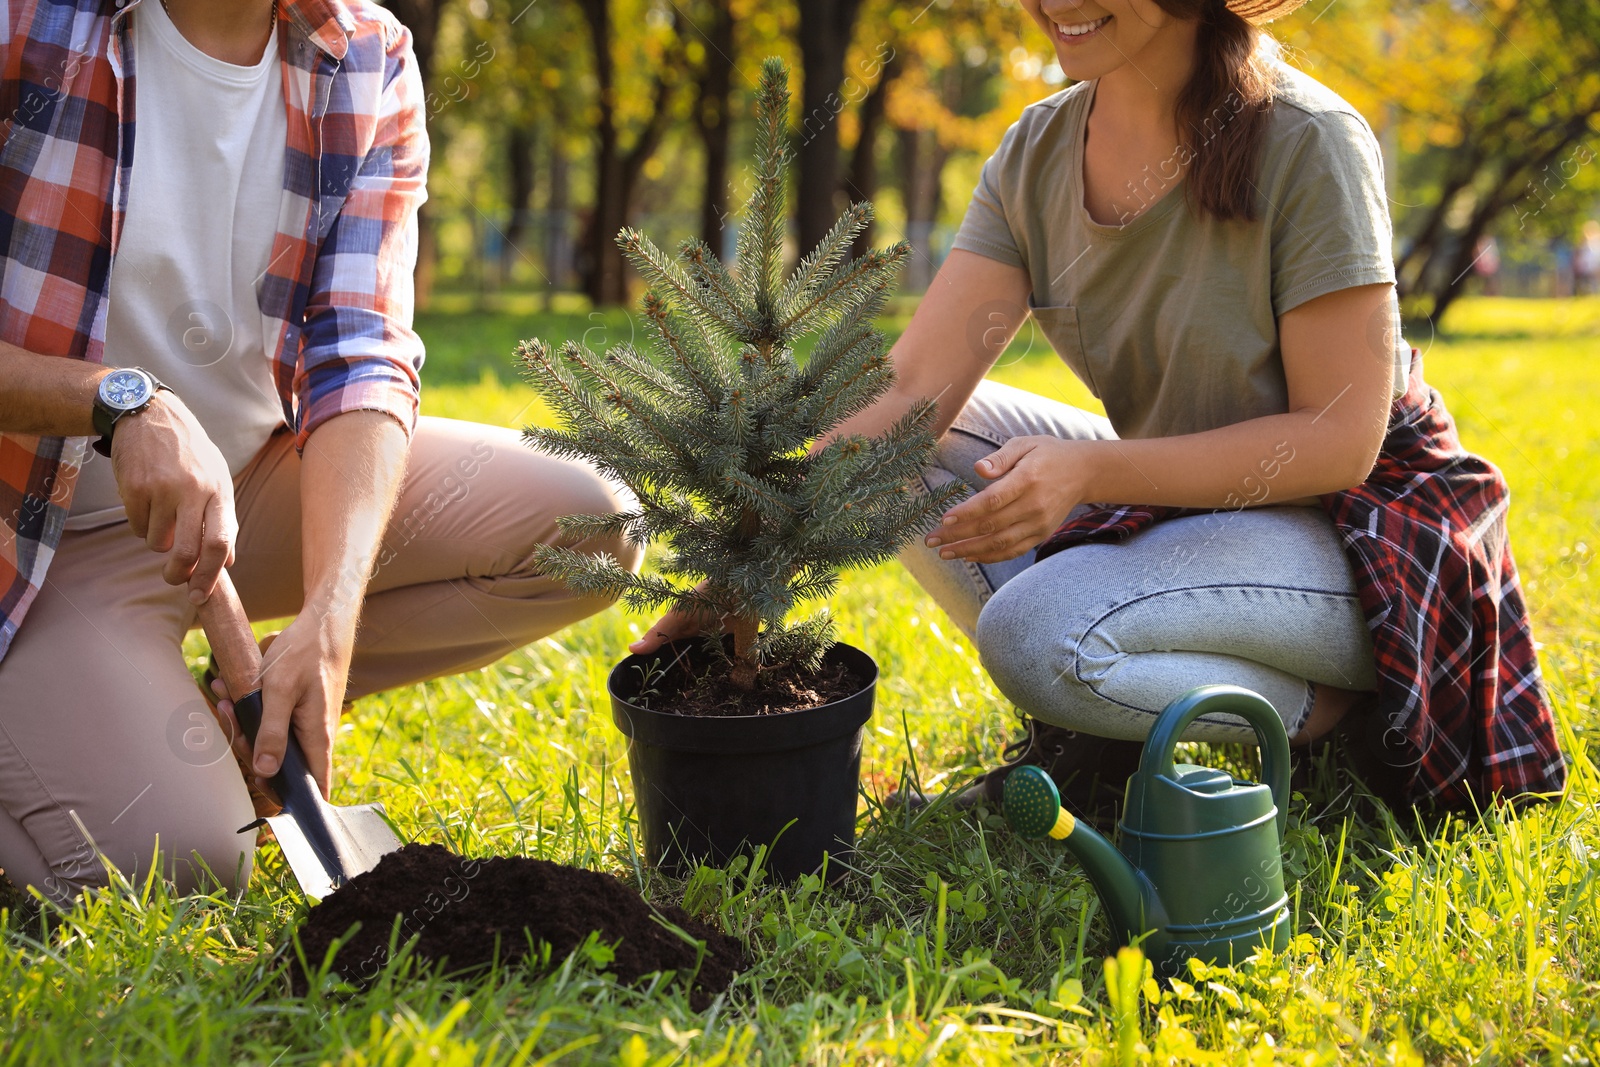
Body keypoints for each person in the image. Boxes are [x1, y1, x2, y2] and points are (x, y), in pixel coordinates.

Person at [635, 0, 1565, 818]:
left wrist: (1090, 470)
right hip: (1190, 505)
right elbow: (914, 392)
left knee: (1039, 635)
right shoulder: (1036, 152)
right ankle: (1124, 714)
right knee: (911, 448)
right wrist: (744, 568)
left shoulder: (1308, 138)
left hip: (1362, 531)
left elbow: (1337, 440)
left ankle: (1336, 713)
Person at [0, 0, 639, 905]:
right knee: (184, 860)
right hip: (32, 532)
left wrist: (330, 617)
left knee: (590, 526)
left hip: (242, 489)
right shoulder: (29, 23)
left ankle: (246, 694)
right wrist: (114, 401)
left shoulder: (364, 54)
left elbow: (361, 355)